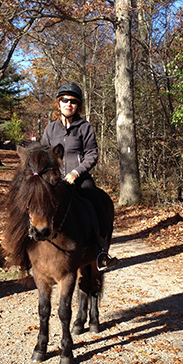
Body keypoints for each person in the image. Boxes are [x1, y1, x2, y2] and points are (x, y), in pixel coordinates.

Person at [42, 82, 118, 271]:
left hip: (79, 178)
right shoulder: (50, 129)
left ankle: (101, 250)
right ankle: (29, 248)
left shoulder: (85, 127)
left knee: (97, 202)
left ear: (78, 105)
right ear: (59, 103)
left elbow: (92, 154)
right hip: (56, 179)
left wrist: (76, 172)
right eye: (65, 100)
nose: (69, 104)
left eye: (74, 101)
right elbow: (43, 153)